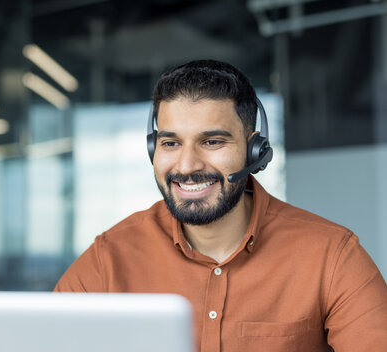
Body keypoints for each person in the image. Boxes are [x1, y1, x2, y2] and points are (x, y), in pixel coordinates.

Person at [54, 60, 387, 351]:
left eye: (212, 141)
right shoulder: (109, 257)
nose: (186, 166)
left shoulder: (333, 256)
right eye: (170, 143)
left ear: (255, 149)